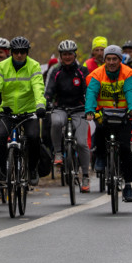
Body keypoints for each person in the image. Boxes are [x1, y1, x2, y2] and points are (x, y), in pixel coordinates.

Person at [0, 36, 47, 195]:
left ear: (27, 52)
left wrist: (40, 106)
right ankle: (3, 172)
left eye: (23, 52)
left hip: (29, 112)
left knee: (33, 137)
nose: (19, 55)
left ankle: (32, 169)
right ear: (11, 52)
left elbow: (38, 87)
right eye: (17, 52)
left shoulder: (34, 66)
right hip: (8, 112)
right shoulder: (2, 66)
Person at [85, 45, 132, 202]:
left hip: (123, 116)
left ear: (120, 60)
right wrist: (89, 110)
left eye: (114, 59)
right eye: (108, 59)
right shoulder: (97, 74)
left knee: (125, 149)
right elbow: (91, 93)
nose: (111, 62)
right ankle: (101, 157)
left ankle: (128, 186)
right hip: (104, 115)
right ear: (104, 60)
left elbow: (130, 93)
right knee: (100, 132)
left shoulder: (127, 74)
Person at [45, 39, 91, 193]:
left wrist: (90, 106)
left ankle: (85, 175)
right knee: (56, 122)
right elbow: (49, 90)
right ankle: (58, 152)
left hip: (80, 109)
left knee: (82, 143)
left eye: (70, 54)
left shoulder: (82, 71)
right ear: (60, 55)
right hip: (61, 108)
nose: (67, 57)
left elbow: (89, 90)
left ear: (74, 54)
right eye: (64, 54)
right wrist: (46, 102)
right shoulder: (55, 71)